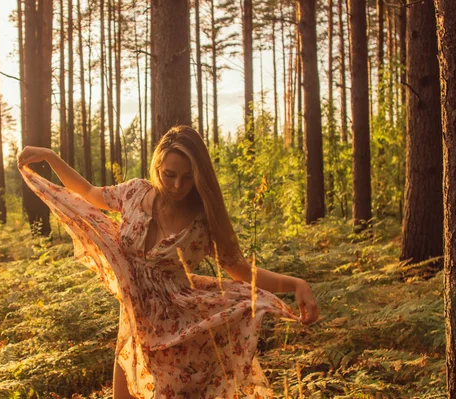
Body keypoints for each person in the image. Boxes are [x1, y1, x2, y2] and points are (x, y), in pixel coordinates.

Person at [17, 125, 319, 399]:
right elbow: (88, 192)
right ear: (157, 167)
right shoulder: (135, 193)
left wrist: (295, 284)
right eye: (169, 174)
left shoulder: (205, 220)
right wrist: (50, 157)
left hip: (180, 331)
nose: (177, 185)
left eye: (188, 177)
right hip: (135, 322)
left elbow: (239, 269)